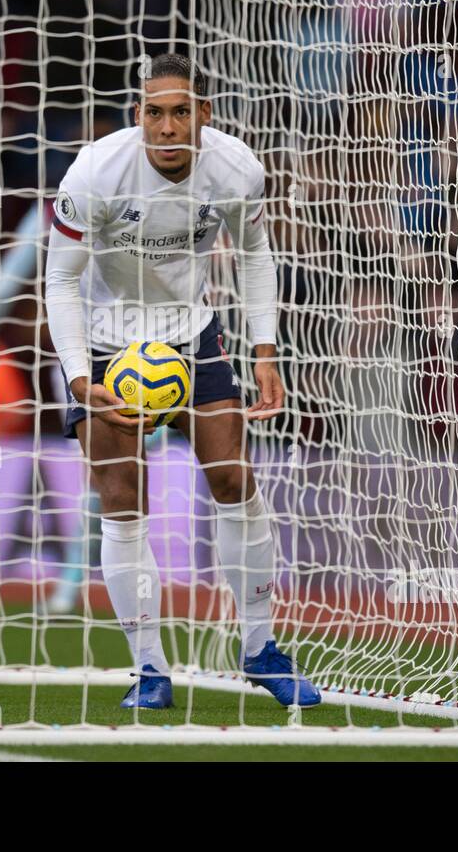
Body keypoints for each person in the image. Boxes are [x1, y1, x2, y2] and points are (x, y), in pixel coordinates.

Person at [43, 52, 320, 709]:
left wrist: (264, 352)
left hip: (189, 334)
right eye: (153, 113)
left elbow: (254, 255)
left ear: (203, 114)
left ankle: (260, 649)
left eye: (179, 112)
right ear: (137, 116)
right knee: (122, 496)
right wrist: (81, 379)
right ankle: (149, 669)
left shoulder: (237, 168)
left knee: (233, 479)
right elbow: (58, 280)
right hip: (109, 342)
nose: (166, 128)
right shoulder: (95, 173)